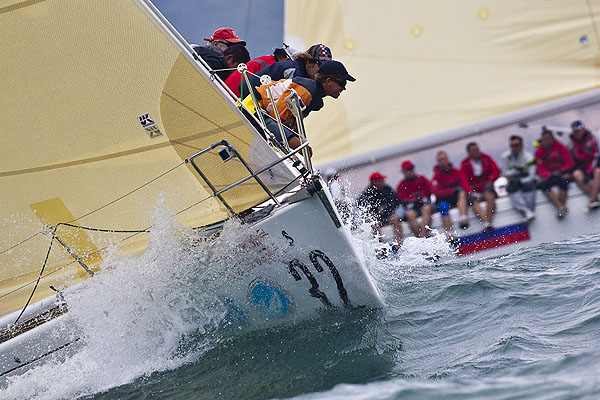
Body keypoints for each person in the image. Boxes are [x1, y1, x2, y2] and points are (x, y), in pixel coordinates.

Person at [250, 60, 354, 150]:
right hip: (253, 108)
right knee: (301, 148)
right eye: (342, 84)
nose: (344, 88)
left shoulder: (314, 96)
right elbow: (276, 117)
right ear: (328, 81)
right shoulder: (306, 91)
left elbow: (292, 125)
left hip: (262, 113)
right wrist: (300, 147)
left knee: (301, 147)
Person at [246, 44, 333, 91]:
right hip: (246, 98)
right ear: (309, 62)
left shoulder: (299, 70)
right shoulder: (294, 70)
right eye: (321, 66)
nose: (322, 72)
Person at [460, 142, 500, 232]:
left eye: (477, 149)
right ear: (469, 152)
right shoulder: (464, 163)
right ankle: (485, 222)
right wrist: (469, 191)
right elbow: (464, 180)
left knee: (490, 196)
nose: (477, 151)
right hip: (474, 189)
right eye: (474, 150)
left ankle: (489, 220)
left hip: (486, 187)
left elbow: (496, 170)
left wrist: (491, 180)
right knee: (474, 202)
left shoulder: (486, 158)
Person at [534, 128, 574, 218]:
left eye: (548, 138)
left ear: (552, 138)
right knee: (543, 184)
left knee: (564, 180)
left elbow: (569, 163)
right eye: (544, 139)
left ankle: (562, 207)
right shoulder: (539, 151)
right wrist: (549, 175)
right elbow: (540, 169)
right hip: (549, 177)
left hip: (561, 174)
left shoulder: (560, 147)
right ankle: (560, 207)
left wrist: (560, 172)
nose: (546, 141)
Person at [356, 172, 404, 244]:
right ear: (375, 182)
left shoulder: (387, 189)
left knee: (395, 219)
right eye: (381, 180)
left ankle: (399, 243)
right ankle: (381, 247)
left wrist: (388, 211)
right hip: (376, 218)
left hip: (387, 216)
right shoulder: (367, 194)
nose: (383, 182)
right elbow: (362, 207)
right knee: (374, 224)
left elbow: (395, 202)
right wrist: (375, 215)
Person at [430, 151, 470, 233]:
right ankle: (449, 233)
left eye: (444, 159)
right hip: (444, 200)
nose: (443, 161)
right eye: (440, 160)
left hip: (457, 199)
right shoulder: (436, 177)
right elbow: (436, 192)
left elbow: (465, 184)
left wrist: (468, 192)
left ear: (448, 159)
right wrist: (452, 191)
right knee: (443, 206)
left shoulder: (456, 172)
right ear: (438, 162)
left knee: (462, 193)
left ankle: (463, 218)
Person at [501, 135, 537, 222]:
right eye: (512, 145)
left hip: (528, 180)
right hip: (514, 181)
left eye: (516, 145)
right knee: (511, 187)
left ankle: (529, 211)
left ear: (521, 145)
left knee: (528, 184)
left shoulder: (528, 157)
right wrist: (519, 172)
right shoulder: (505, 157)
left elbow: (531, 174)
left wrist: (519, 178)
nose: (514, 148)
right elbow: (505, 173)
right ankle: (527, 212)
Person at [568, 120, 600, 209]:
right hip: (582, 169)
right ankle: (594, 199)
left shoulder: (592, 140)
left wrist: (589, 170)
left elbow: (596, 157)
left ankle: (593, 199)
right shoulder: (571, 144)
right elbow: (571, 162)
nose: (577, 133)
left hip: (593, 166)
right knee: (576, 174)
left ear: (583, 130)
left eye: (579, 131)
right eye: (575, 132)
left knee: (598, 172)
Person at [396, 161, 433, 238]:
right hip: (412, 208)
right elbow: (402, 199)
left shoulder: (422, 179)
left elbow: (428, 192)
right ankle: (421, 237)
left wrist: (418, 199)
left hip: (424, 205)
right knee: (410, 214)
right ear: (403, 172)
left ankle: (422, 236)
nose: (410, 171)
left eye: (411, 168)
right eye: (408, 169)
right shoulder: (401, 185)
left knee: (426, 208)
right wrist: (415, 199)